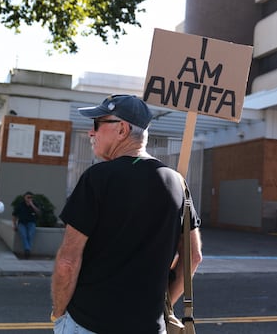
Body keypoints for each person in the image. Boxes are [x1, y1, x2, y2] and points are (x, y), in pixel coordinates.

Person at [51, 94, 203, 333]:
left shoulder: (97, 178)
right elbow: (193, 257)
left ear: (121, 129)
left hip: (89, 324)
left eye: (97, 124)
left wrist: (59, 313)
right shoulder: (177, 183)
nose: (91, 133)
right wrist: (163, 307)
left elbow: (67, 261)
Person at [12, 191, 41, 259]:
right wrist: (14, 225)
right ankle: (27, 250)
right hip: (22, 223)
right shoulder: (20, 205)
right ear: (24, 197)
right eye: (28, 197)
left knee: (30, 235)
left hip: (31, 223)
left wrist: (32, 205)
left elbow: (39, 213)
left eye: (31, 197)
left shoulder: (34, 204)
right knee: (24, 235)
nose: (29, 198)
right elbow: (14, 215)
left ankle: (27, 250)